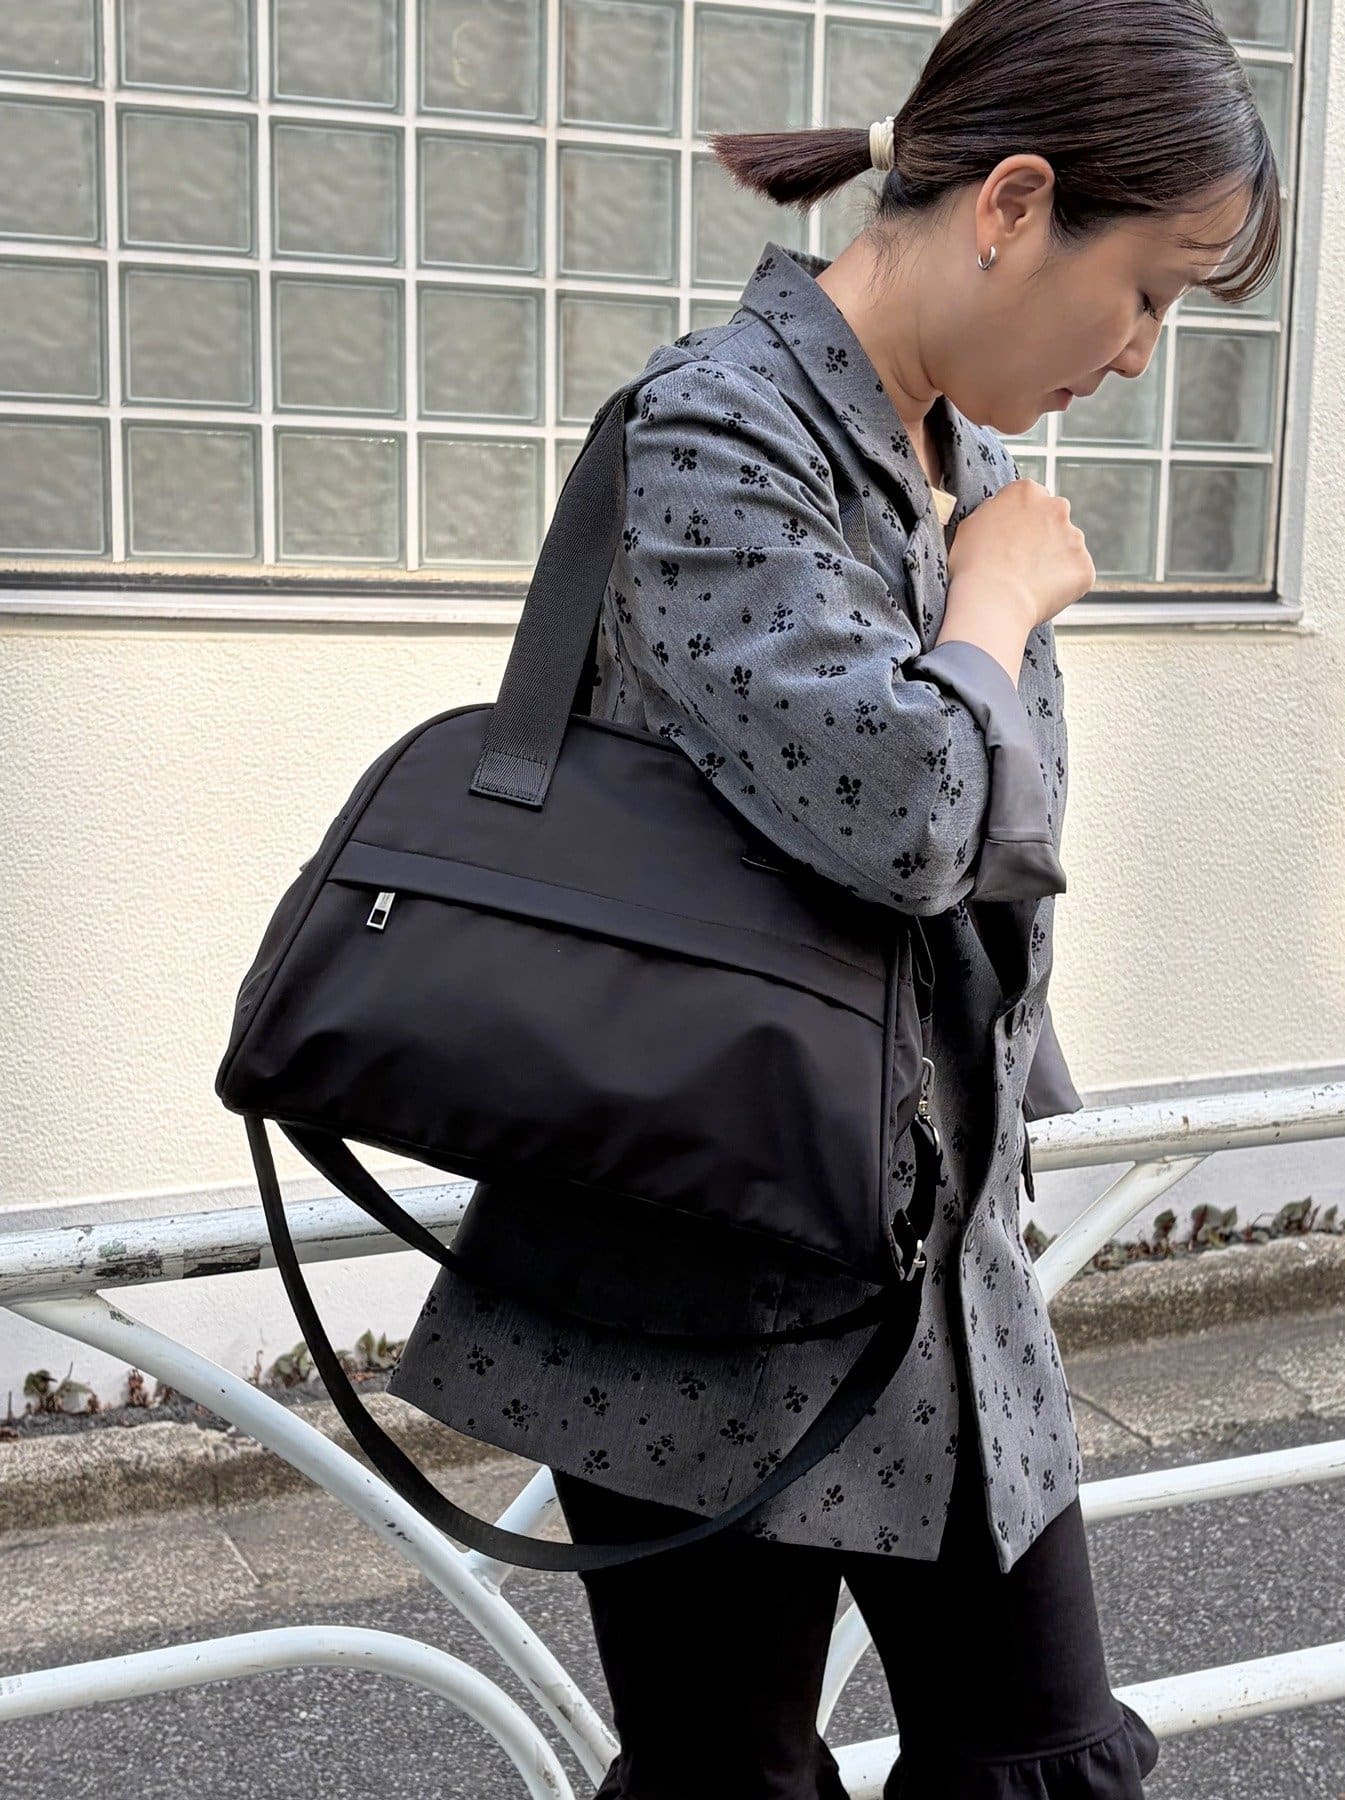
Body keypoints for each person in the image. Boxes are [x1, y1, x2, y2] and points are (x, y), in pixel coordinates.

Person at [388, 0, 1280, 1790]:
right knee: (738, 1778)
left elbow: (995, 859)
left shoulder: (966, 457)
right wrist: (993, 605)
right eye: (1148, 291)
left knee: (1039, 1753)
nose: (1140, 354)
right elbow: (912, 814)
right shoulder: (717, 433)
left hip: (936, 1260)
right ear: (1013, 204)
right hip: (698, 1263)